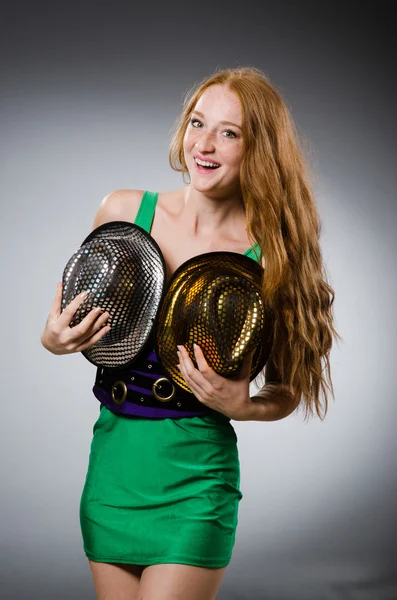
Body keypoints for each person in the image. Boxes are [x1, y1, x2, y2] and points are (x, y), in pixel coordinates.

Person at [40, 66, 339, 600]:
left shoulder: (271, 255)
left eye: (229, 132)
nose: (204, 144)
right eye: (197, 123)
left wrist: (242, 405)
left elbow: (289, 389)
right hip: (113, 469)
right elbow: (61, 323)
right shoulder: (125, 211)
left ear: (260, 149)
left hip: (196, 481)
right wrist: (54, 339)